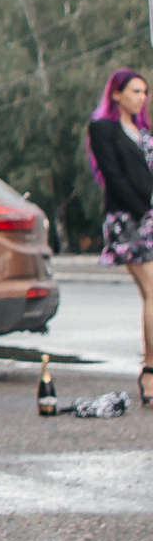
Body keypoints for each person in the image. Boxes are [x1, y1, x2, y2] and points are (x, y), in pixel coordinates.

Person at [84, 66, 153, 407]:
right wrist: (144, 210)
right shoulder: (103, 128)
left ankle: (150, 374)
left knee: (151, 297)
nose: (142, 98)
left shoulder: (144, 131)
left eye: (145, 92)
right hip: (129, 219)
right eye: (135, 91)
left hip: (151, 218)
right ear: (116, 94)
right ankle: (151, 371)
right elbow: (113, 176)